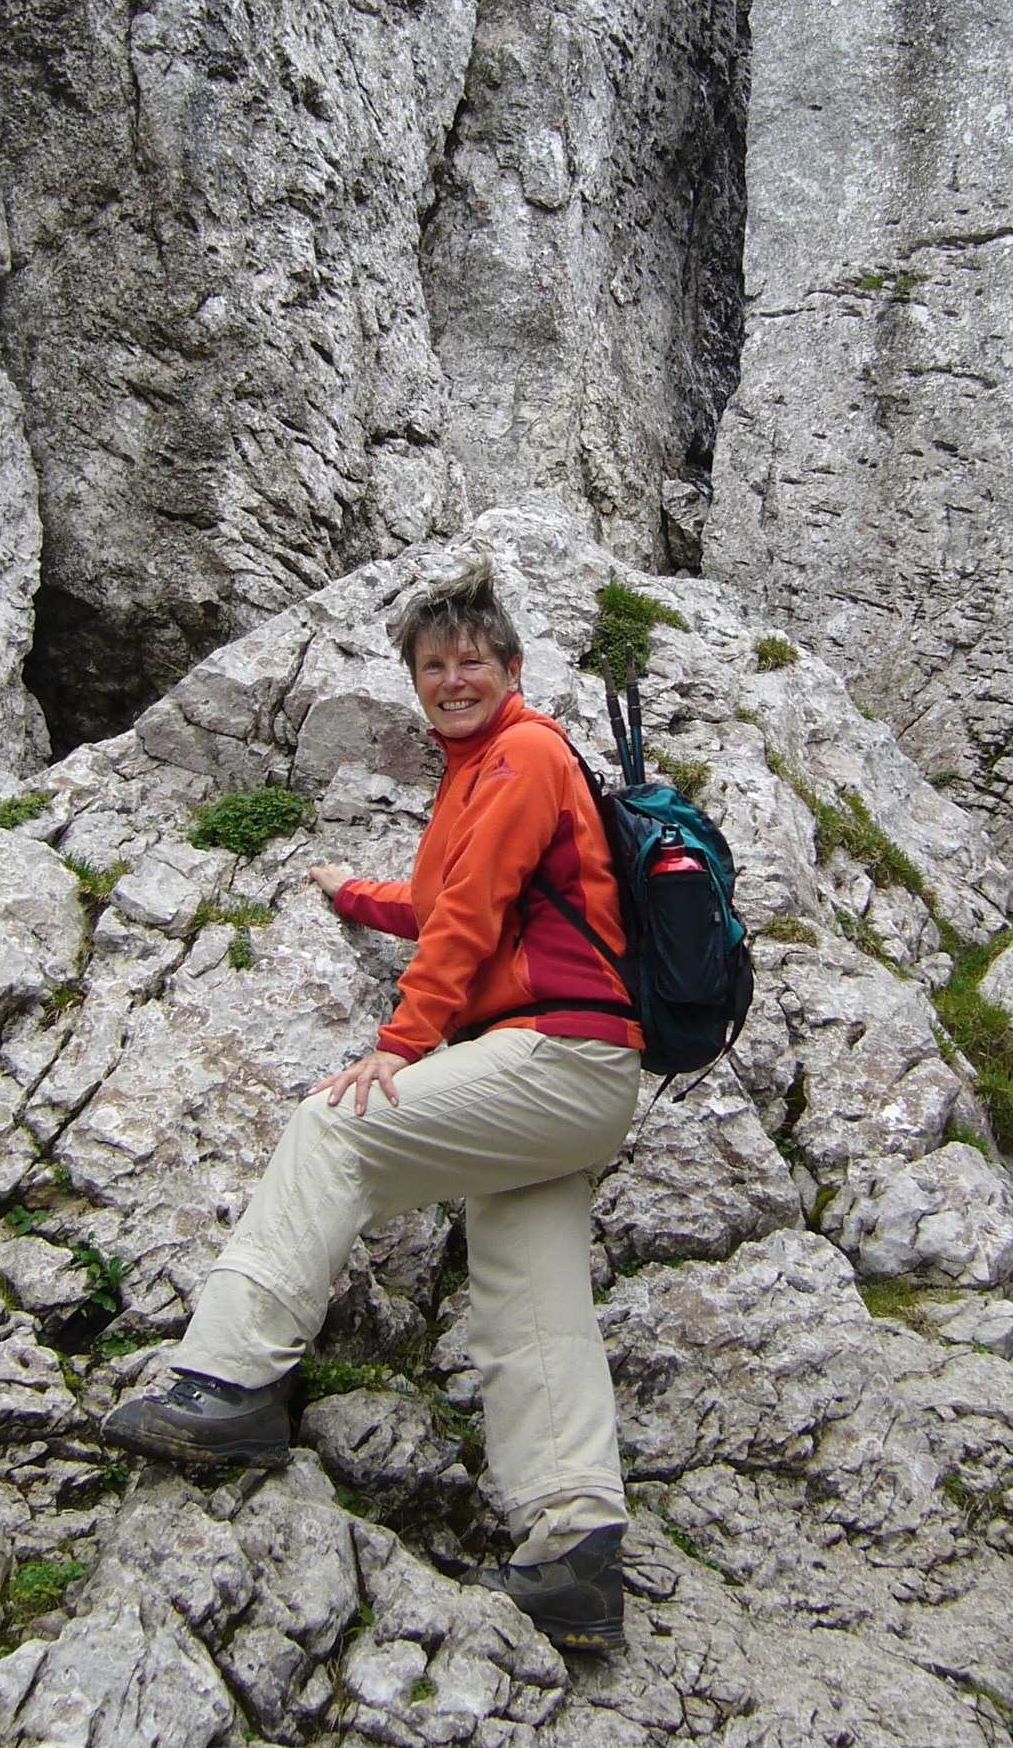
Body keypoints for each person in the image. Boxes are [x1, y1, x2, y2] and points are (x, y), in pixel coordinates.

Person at [102, 563, 644, 1653]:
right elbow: (444, 901)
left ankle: (228, 1383)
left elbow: (472, 916)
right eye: (433, 666)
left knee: (335, 1128)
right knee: (528, 1286)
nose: (453, 680)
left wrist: (397, 1048)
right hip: (572, 1077)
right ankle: (574, 1554)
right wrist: (350, 893)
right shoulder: (479, 775)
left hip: (558, 1051)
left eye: (472, 661)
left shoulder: (526, 755)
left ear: (512, 669)